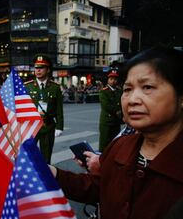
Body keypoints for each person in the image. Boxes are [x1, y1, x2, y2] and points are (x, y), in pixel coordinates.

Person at [50, 46, 183, 219]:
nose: (133, 99)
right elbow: (99, 188)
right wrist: (52, 173)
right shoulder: (121, 145)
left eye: (148, 87)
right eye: (127, 89)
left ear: (180, 97)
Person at [25, 54, 64, 163]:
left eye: (41, 68)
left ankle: (45, 178)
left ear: (48, 70)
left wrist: (59, 126)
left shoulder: (55, 87)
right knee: (29, 156)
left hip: (48, 126)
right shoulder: (28, 86)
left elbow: (59, 109)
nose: (38, 70)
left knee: (46, 158)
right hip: (32, 127)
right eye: (36, 68)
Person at [98, 69, 123, 151]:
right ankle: (101, 161)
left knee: (115, 142)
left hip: (116, 121)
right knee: (104, 143)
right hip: (107, 121)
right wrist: (117, 111)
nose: (113, 81)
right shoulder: (104, 91)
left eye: (115, 79)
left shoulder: (119, 91)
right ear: (108, 80)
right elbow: (106, 105)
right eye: (111, 79)